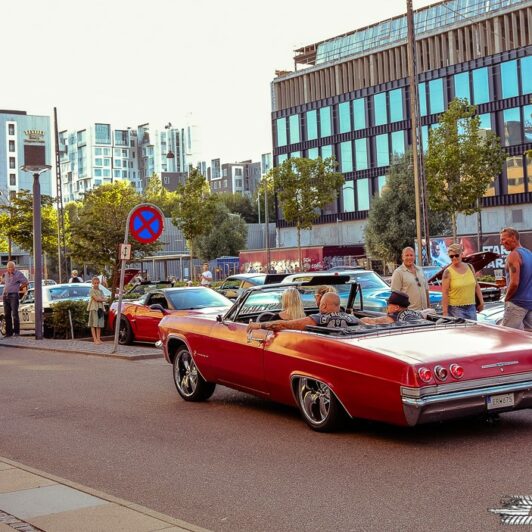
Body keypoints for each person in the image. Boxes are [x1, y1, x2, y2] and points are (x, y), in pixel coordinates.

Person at [247, 292, 359, 332]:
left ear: (323, 306)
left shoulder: (317, 319)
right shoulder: (352, 318)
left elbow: (282, 324)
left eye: (320, 303)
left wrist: (258, 325)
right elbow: (371, 322)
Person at [500, 227, 532, 331]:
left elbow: (514, 283)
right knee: (528, 339)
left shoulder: (513, 255)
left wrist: (507, 298)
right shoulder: (529, 253)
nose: (502, 243)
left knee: (507, 337)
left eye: (504, 239)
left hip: (516, 303)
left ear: (513, 237)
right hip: (530, 302)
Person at [441, 243, 484, 320]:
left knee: (472, 330)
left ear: (461, 254)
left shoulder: (470, 267)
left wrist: (481, 302)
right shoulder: (447, 272)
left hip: (471, 306)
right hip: (455, 309)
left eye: (456, 255)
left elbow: (476, 286)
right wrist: (445, 312)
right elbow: (445, 293)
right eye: (451, 256)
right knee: (461, 331)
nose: (454, 258)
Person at [1, 261, 28, 337]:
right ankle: (8, 333)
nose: (10, 269)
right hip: (5, 296)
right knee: (7, 315)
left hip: (14, 295)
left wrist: (19, 288)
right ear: (7, 268)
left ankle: (16, 332)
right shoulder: (5, 274)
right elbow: (4, 283)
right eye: (8, 267)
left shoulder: (18, 274)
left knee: (15, 314)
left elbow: (26, 282)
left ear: (14, 267)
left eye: (11, 267)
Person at [87, 276, 106, 344]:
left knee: (99, 325)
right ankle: (95, 339)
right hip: (94, 308)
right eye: (95, 283)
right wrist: (100, 299)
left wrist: (101, 299)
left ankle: (98, 339)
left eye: (97, 283)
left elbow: (104, 298)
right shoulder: (91, 290)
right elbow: (96, 299)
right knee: (93, 324)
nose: (96, 284)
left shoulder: (101, 291)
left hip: (100, 308)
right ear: (92, 283)